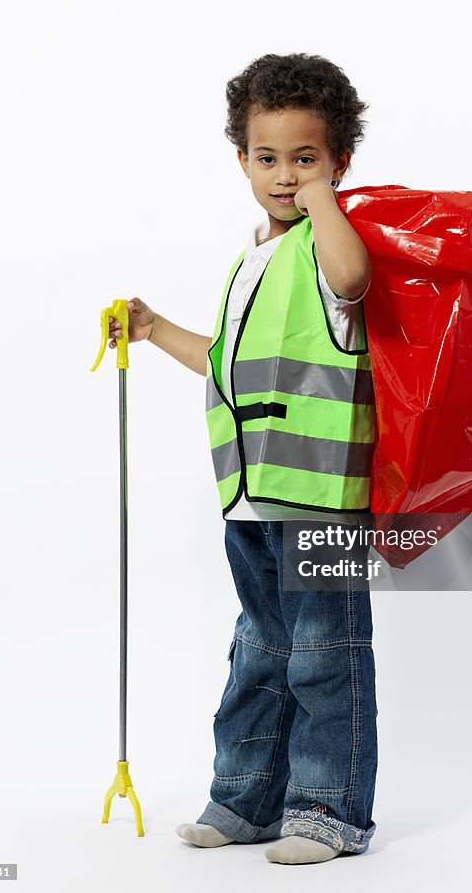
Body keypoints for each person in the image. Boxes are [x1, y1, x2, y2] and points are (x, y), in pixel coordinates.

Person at [107, 53, 378, 865]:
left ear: (338, 162)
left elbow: (354, 276)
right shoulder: (251, 258)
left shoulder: (327, 251)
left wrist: (329, 202)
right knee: (259, 654)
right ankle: (248, 800)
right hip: (252, 501)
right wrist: (156, 332)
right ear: (241, 161)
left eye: (307, 159)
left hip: (322, 500)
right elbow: (226, 363)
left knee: (327, 660)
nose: (286, 176)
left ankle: (329, 813)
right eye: (269, 158)